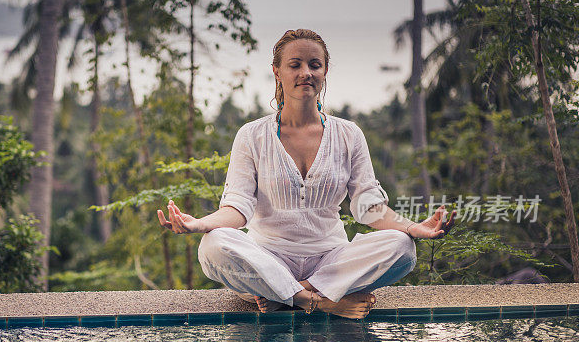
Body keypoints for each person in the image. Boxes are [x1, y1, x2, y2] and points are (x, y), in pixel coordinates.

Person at [157, 29, 456, 319]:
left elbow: (368, 207)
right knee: (213, 245)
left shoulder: (348, 134)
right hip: (268, 259)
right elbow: (237, 209)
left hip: (331, 260)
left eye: (315, 65)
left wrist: (413, 227)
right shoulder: (251, 136)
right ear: (277, 71)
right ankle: (320, 302)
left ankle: (289, 294)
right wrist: (199, 224)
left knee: (402, 247)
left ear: (325, 71)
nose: (306, 73)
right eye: (295, 65)